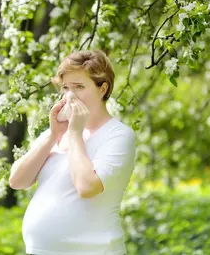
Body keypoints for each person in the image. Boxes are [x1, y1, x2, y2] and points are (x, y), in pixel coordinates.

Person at [9, 49, 136, 255]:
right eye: (66, 87)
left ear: (102, 89)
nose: (70, 95)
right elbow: (17, 181)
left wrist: (75, 133)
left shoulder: (118, 136)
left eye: (79, 86)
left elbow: (87, 187)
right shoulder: (57, 132)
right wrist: (53, 136)